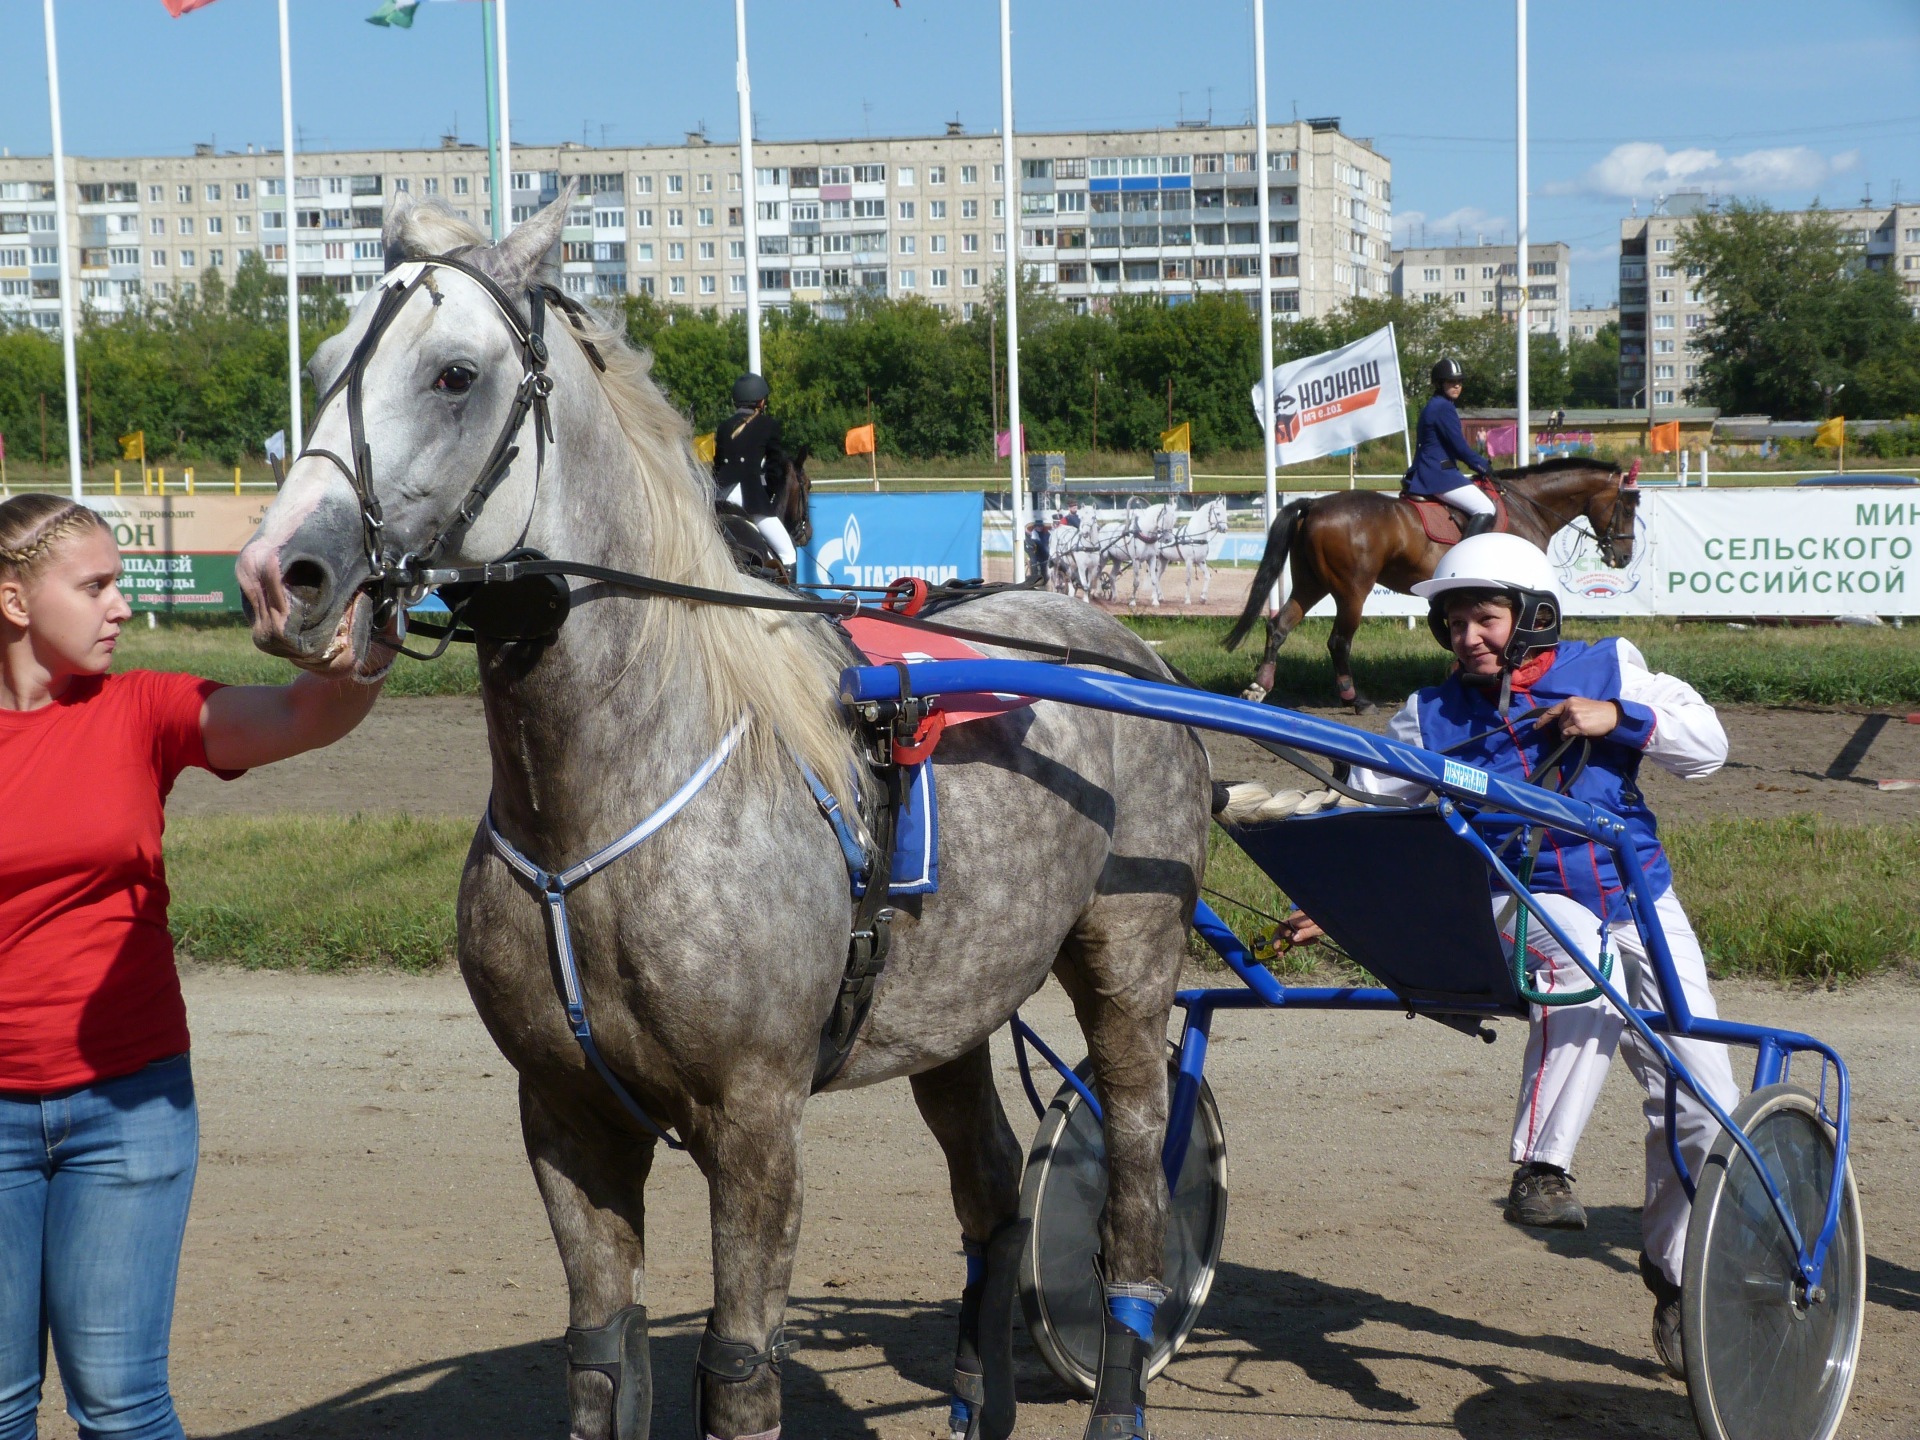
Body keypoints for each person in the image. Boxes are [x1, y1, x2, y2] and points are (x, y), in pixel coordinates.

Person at [1278, 533, 1737, 1379]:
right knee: (1580, 959)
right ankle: (1542, 1167)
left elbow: (1708, 749)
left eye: (1483, 619)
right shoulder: (1431, 714)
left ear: (1534, 617)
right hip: (1521, 900)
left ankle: (1674, 1275)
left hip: (1641, 899)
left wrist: (1620, 719)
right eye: (1453, 624)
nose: (1467, 638)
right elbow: (1368, 803)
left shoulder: (1611, 667)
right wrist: (1337, 891)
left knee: (1708, 1106)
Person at [0, 495, 389, 1440]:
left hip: (128, 1109)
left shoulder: (142, 709)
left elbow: (303, 713)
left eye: (121, 582)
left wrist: (367, 643)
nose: (121, 605)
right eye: (95, 586)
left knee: (121, 1406)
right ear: (14, 602)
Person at [1404, 357, 1499, 538]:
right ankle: (1465, 552)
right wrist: (1483, 466)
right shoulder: (1443, 408)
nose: (1457, 386)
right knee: (1486, 507)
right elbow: (1459, 448)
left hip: (1432, 472)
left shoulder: (1435, 405)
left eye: (1460, 382)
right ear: (1440, 384)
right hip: (1438, 476)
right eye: (1451, 381)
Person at [711, 372, 796, 571]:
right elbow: (774, 470)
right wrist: (768, 494)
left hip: (721, 497)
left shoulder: (724, 427)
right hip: (751, 499)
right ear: (761, 401)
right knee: (788, 553)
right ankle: (791, 591)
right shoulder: (768, 425)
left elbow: (717, 467)